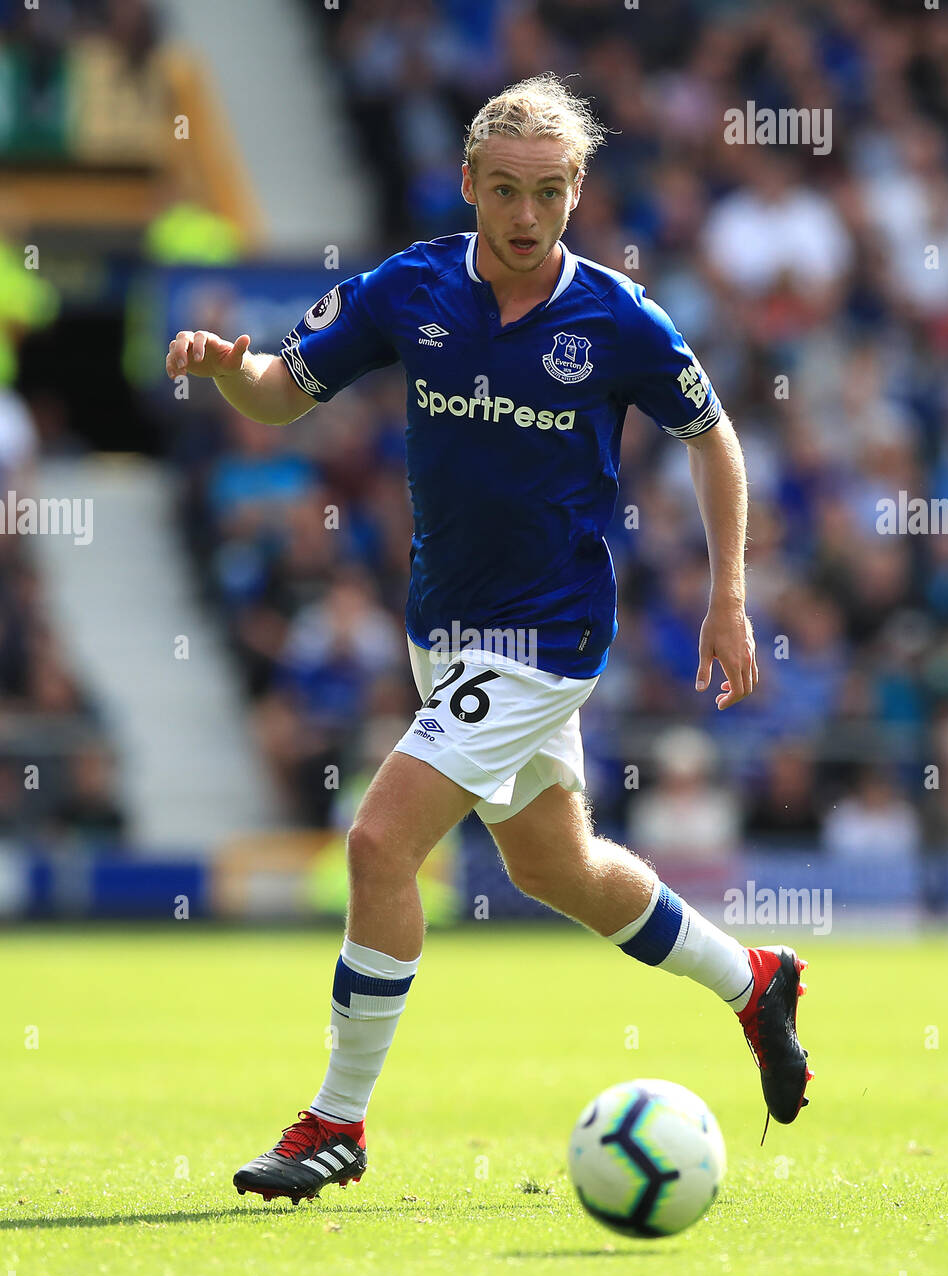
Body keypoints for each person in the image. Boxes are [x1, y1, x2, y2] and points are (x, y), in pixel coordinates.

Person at [165, 73, 811, 1205]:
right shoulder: (409, 287)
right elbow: (284, 391)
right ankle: (753, 978)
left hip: (546, 635)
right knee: (556, 868)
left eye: (549, 193)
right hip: (441, 630)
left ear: (578, 192)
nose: (525, 216)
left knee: (378, 843)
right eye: (504, 191)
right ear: (468, 183)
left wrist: (728, 596)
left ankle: (337, 1121)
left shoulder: (617, 317)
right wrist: (232, 370)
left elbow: (715, 442)